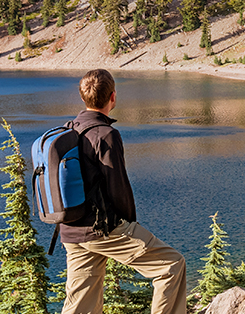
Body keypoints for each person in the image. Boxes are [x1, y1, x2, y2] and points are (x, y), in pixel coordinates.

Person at [61, 69, 188, 314]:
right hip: (100, 229)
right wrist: (130, 224)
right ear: (113, 97)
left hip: (70, 229)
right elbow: (118, 187)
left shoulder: (68, 129)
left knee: (81, 303)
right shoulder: (106, 134)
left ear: (82, 97)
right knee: (171, 266)